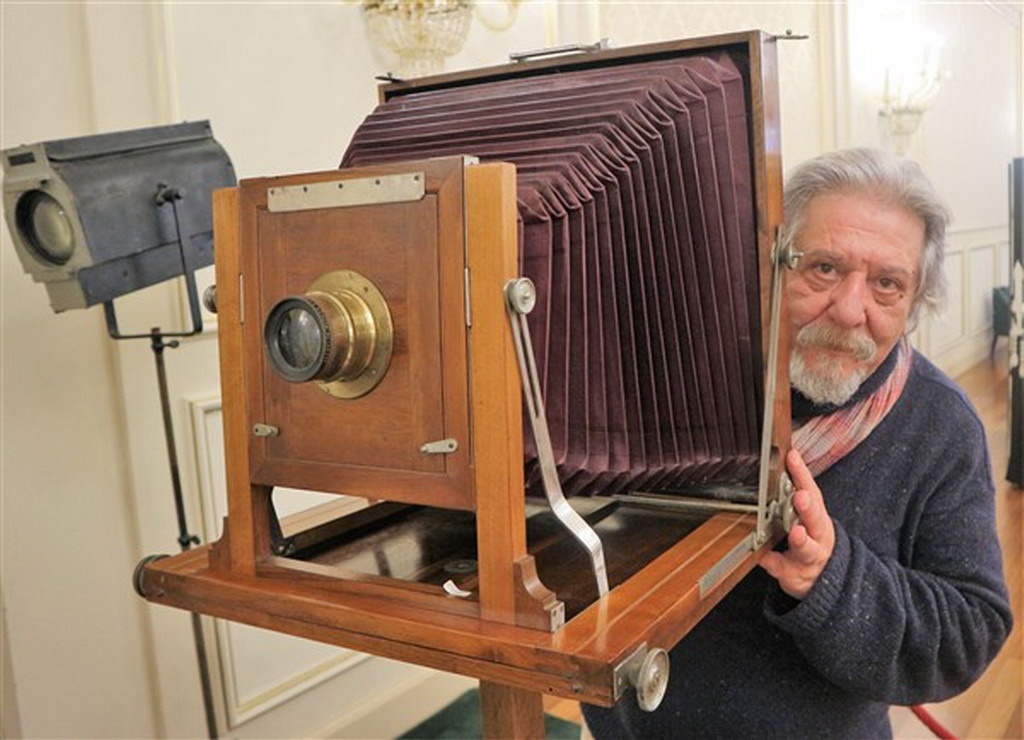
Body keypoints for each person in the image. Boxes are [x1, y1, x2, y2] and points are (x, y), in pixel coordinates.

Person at [582, 148, 1013, 738]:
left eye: (887, 284)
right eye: (825, 268)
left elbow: (968, 633)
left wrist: (829, 577)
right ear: (773, 264)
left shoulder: (942, 426)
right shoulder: (684, 369)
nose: (850, 311)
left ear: (914, 305)